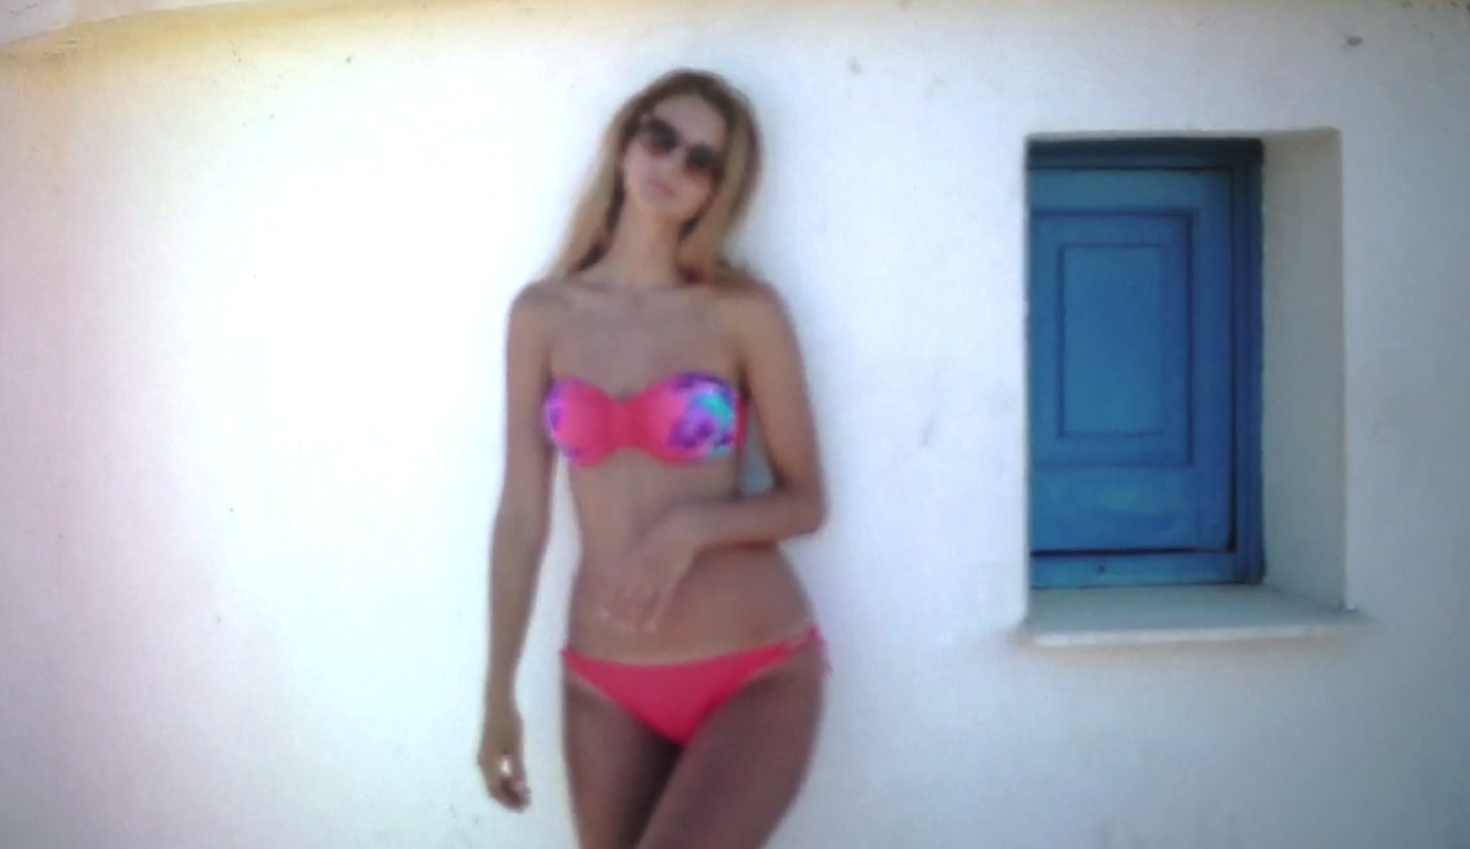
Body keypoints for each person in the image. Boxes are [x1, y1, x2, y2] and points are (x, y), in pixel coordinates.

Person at [477, 68, 829, 849]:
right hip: (603, 682)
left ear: (718, 191)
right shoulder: (542, 314)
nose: (671, 165)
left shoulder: (743, 312)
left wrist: (688, 529)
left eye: (701, 161)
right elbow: (522, 516)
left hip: (753, 669)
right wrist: (498, 692)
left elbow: (806, 500)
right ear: (626, 142)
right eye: (660, 138)